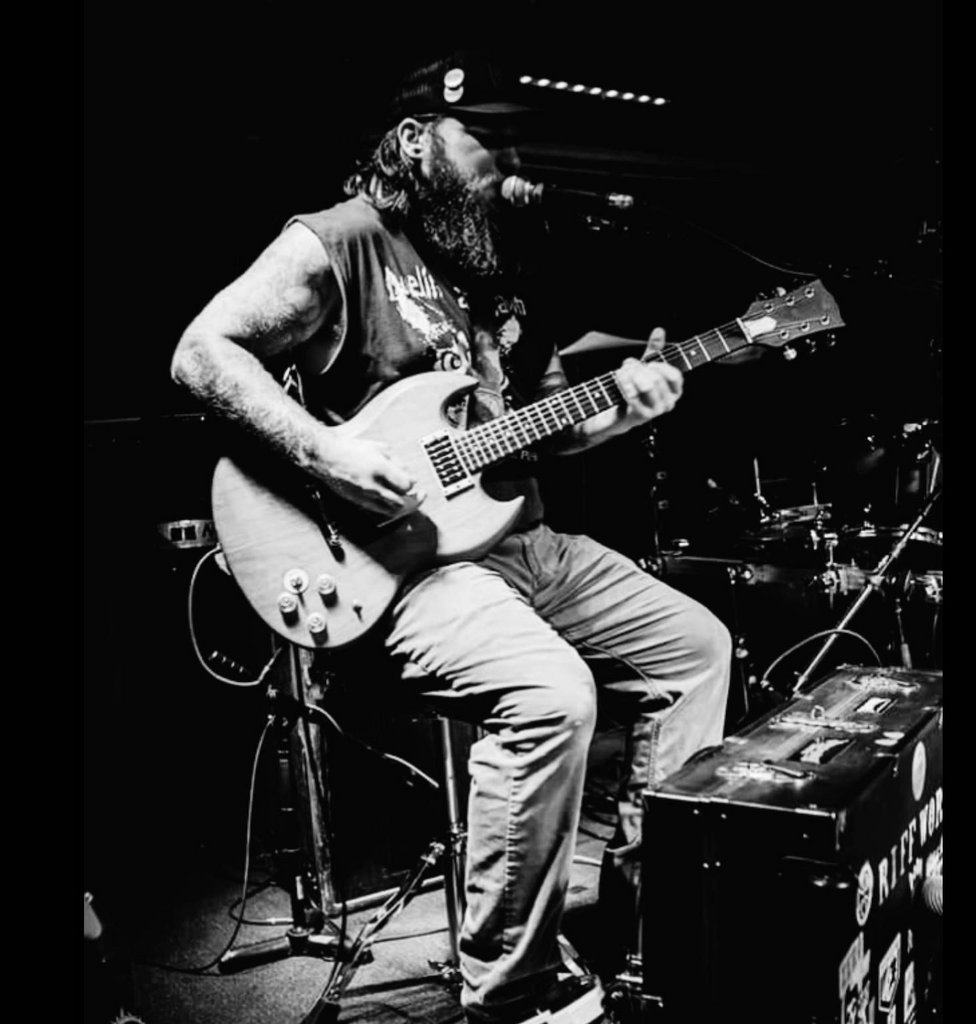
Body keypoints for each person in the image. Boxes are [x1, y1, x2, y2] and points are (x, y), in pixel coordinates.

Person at [171, 49, 731, 1024]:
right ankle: (509, 995)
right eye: (489, 141)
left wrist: (623, 410)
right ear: (415, 138)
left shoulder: (492, 273)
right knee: (550, 694)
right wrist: (325, 451)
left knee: (696, 649)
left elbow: (531, 431)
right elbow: (200, 352)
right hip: (396, 562)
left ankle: (651, 933)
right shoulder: (343, 240)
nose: (509, 163)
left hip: (520, 543)